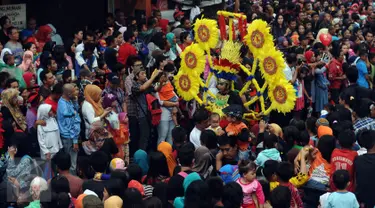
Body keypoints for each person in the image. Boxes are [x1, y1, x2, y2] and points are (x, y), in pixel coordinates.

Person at [128, 67, 161, 154]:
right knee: (143, 137)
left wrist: (161, 82)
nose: (145, 75)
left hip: (148, 114)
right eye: (142, 74)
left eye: (145, 73)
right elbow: (142, 88)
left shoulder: (146, 84)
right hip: (140, 115)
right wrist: (153, 77)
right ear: (137, 76)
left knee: (149, 136)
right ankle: (140, 156)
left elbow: (156, 89)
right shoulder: (134, 86)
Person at [57, 84, 81, 174]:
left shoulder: (68, 100)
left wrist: (75, 101)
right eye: (74, 91)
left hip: (72, 135)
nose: (76, 92)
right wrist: (75, 141)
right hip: (69, 137)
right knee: (72, 163)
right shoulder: (64, 106)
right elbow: (70, 124)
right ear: (69, 93)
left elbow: (76, 110)